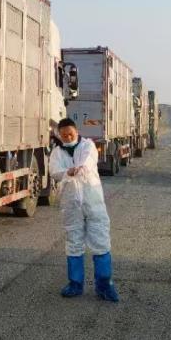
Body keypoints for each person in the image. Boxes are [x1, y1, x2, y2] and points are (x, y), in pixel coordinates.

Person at [48, 118, 119, 302]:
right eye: (64, 136)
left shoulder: (88, 146)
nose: (67, 138)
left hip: (93, 203)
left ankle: (104, 285)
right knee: (73, 243)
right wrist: (67, 172)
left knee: (100, 241)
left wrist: (77, 168)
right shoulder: (57, 152)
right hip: (71, 206)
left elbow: (88, 161)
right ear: (59, 136)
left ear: (76, 131)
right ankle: (75, 284)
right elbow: (54, 171)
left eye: (70, 134)